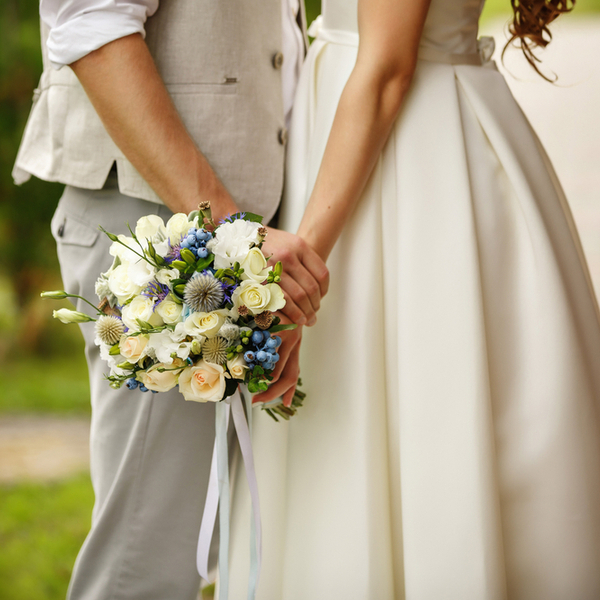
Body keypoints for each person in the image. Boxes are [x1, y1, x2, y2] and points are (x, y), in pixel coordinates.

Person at [231, 0, 600, 598]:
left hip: (400, 145)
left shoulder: (380, 80)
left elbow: (386, 70)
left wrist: (296, 281)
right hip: (374, 125)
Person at [12, 1, 329, 598]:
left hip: (229, 230)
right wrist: (232, 236)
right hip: (163, 227)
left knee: (195, 547)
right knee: (145, 563)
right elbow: (91, 24)